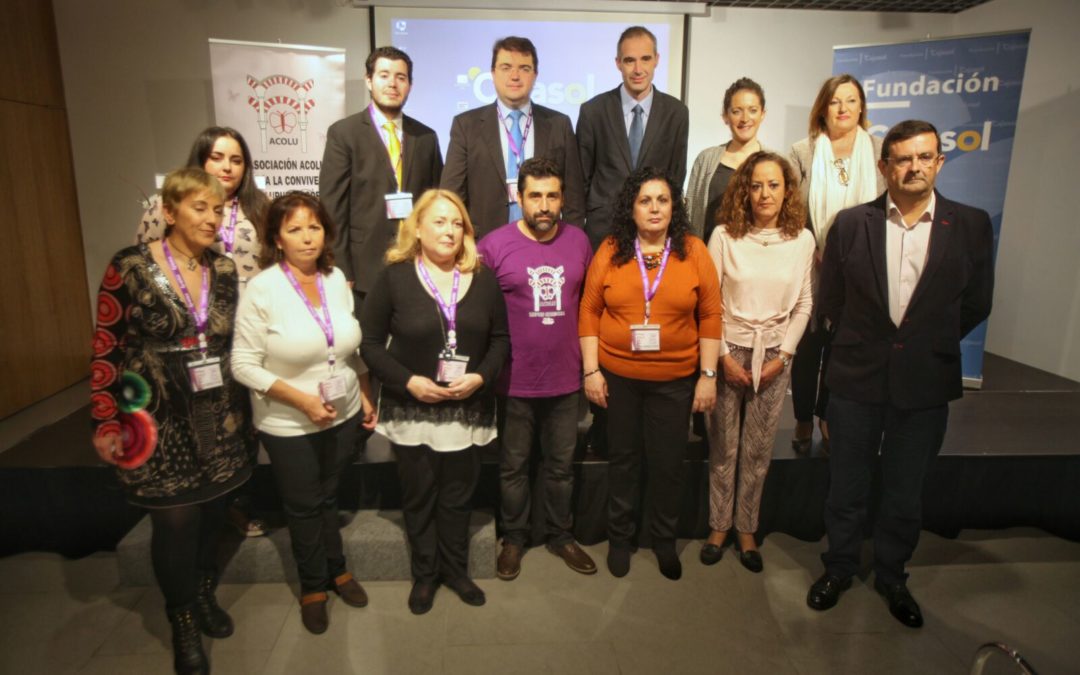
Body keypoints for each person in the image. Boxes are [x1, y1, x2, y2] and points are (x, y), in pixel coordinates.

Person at [806, 120, 995, 628]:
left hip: (924, 382)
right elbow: (832, 306)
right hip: (856, 378)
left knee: (905, 490)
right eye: (903, 159)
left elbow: (977, 302)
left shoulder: (972, 225)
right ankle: (840, 567)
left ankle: (892, 575)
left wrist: (922, 344)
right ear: (885, 166)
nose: (914, 167)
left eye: (924, 157)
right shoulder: (850, 224)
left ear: (939, 162)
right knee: (845, 485)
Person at [92, 168, 252, 675]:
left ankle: (204, 592)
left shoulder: (224, 270)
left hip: (219, 415)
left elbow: (229, 344)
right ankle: (182, 617)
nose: (211, 218)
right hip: (155, 418)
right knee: (175, 520)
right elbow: (107, 345)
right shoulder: (129, 267)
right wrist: (105, 420)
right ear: (169, 211)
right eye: (200, 208)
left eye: (218, 210)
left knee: (211, 514)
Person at [231, 192, 377, 635]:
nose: (306, 237)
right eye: (294, 229)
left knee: (330, 497)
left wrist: (365, 394)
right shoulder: (263, 288)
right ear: (276, 237)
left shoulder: (335, 278)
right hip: (288, 421)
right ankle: (313, 585)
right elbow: (242, 364)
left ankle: (337, 568)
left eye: (313, 226)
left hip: (344, 410)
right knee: (303, 504)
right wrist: (304, 401)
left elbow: (348, 346)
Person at [361, 189, 510, 614]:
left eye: (457, 223)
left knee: (457, 496)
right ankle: (425, 575)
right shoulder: (395, 277)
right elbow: (369, 344)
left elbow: (501, 340)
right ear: (418, 228)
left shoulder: (482, 277)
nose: (449, 230)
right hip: (414, 410)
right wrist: (408, 382)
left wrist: (481, 376)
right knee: (420, 495)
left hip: (466, 410)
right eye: (440, 222)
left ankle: (456, 571)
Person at [579, 167, 722, 581]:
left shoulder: (693, 250)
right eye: (645, 200)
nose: (654, 208)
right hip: (618, 377)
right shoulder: (611, 249)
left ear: (674, 206)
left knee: (667, 464)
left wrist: (707, 375)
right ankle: (620, 540)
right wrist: (591, 370)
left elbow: (711, 314)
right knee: (623, 461)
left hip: (675, 381)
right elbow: (589, 310)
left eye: (662, 199)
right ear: (632, 208)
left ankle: (663, 541)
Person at [135, 126, 269, 538]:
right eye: (217, 157)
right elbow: (146, 269)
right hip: (188, 332)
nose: (226, 167)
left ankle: (236, 503)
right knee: (193, 416)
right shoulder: (165, 207)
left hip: (246, 328)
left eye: (236, 159)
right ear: (201, 160)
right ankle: (191, 499)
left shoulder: (260, 208)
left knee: (241, 415)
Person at [477, 158, 595, 581]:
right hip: (513, 380)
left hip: (565, 378)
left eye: (552, 196)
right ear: (519, 197)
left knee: (561, 466)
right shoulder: (492, 246)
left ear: (562, 198)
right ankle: (514, 538)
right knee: (513, 467)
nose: (544, 205)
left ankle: (561, 535)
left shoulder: (580, 241)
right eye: (535, 196)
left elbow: (590, 307)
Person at [700, 152, 814, 573]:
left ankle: (746, 528)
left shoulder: (802, 239)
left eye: (773, 185)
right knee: (723, 447)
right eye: (756, 185)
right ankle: (717, 525)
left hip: (775, 357)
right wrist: (722, 356)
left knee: (758, 452)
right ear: (744, 190)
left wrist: (784, 357)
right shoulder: (724, 236)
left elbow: (804, 303)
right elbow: (709, 301)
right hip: (728, 351)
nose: (764, 193)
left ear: (787, 191)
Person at [788, 74, 885, 454]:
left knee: (841, 348)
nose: (843, 108)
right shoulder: (803, 151)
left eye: (850, 100)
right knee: (808, 346)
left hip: (861, 269)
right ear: (822, 109)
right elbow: (791, 209)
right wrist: (812, 244)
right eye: (835, 102)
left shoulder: (878, 150)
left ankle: (827, 415)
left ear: (861, 107)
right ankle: (800, 417)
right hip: (813, 263)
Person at [320, 46, 444, 317]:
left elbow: (436, 203)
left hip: (417, 264)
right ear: (369, 80)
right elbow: (332, 206)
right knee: (367, 349)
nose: (392, 83)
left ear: (410, 85)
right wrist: (342, 267)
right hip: (364, 268)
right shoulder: (345, 134)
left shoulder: (426, 137)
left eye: (401, 77)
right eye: (384, 75)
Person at [441, 36, 586, 238]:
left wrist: (572, 244)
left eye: (524, 68)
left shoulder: (559, 124)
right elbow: (452, 195)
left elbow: (574, 200)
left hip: (545, 245)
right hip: (484, 247)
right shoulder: (466, 126)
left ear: (535, 75)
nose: (515, 76)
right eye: (506, 67)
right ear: (492, 73)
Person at [577, 26, 689, 251]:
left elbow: (675, 177)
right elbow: (581, 179)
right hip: (603, 231)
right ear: (618, 62)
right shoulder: (594, 111)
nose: (638, 69)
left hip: (655, 234)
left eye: (645, 59)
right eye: (629, 60)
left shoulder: (676, 112)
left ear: (657, 60)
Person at [687, 77, 771, 244]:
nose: (745, 118)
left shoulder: (772, 164)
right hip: (708, 258)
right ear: (725, 116)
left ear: (763, 114)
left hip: (754, 260)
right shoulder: (706, 160)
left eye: (752, 110)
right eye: (736, 111)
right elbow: (690, 212)